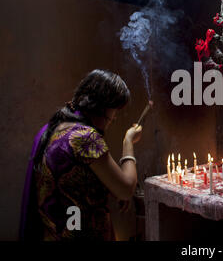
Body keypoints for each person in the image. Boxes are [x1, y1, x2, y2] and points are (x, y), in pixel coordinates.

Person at [19, 69, 151, 240]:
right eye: (115, 112)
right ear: (102, 107)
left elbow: (78, 180)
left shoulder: (56, 127)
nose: (114, 118)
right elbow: (126, 189)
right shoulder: (85, 138)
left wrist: (110, 188)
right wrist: (128, 142)